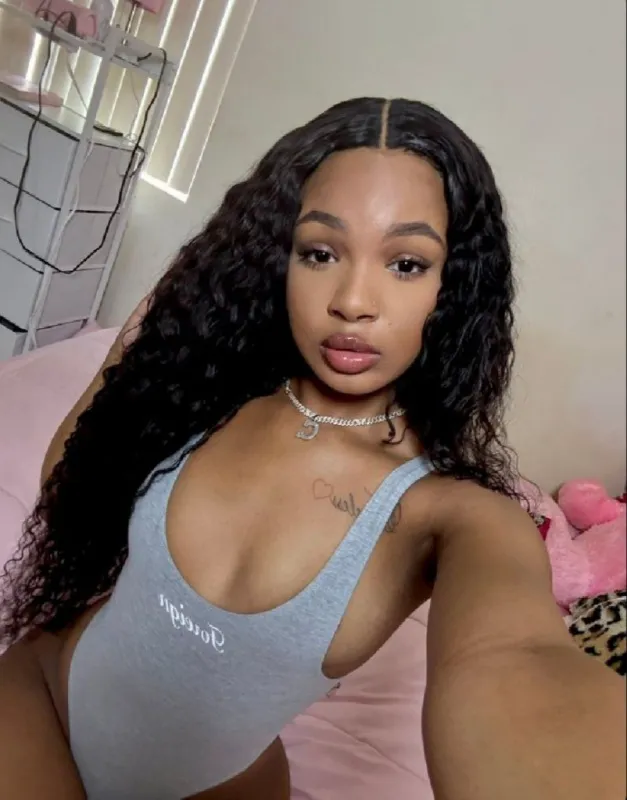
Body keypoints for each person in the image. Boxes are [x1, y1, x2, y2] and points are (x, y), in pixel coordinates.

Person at [0, 97, 623, 800]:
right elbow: (72, 480)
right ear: (279, 258)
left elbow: (521, 657)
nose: (353, 300)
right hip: (45, 702)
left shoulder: (450, 513)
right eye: (320, 253)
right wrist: (177, 304)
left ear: (453, 288)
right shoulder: (209, 385)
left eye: (406, 264)